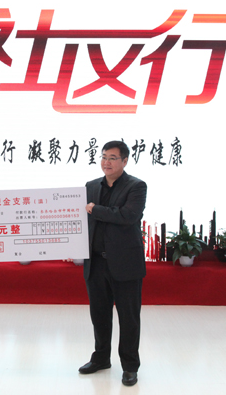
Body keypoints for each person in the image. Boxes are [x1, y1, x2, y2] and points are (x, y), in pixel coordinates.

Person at [77, 140, 147, 387]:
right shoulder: (90, 186)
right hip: (95, 262)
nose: (106, 162)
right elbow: (80, 219)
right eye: (104, 157)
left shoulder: (136, 186)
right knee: (99, 315)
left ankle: (130, 366)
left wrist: (95, 210)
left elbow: (128, 216)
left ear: (125, 161)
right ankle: (101, 358)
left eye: (113, 158)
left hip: (125, 264)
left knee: (129, 317)